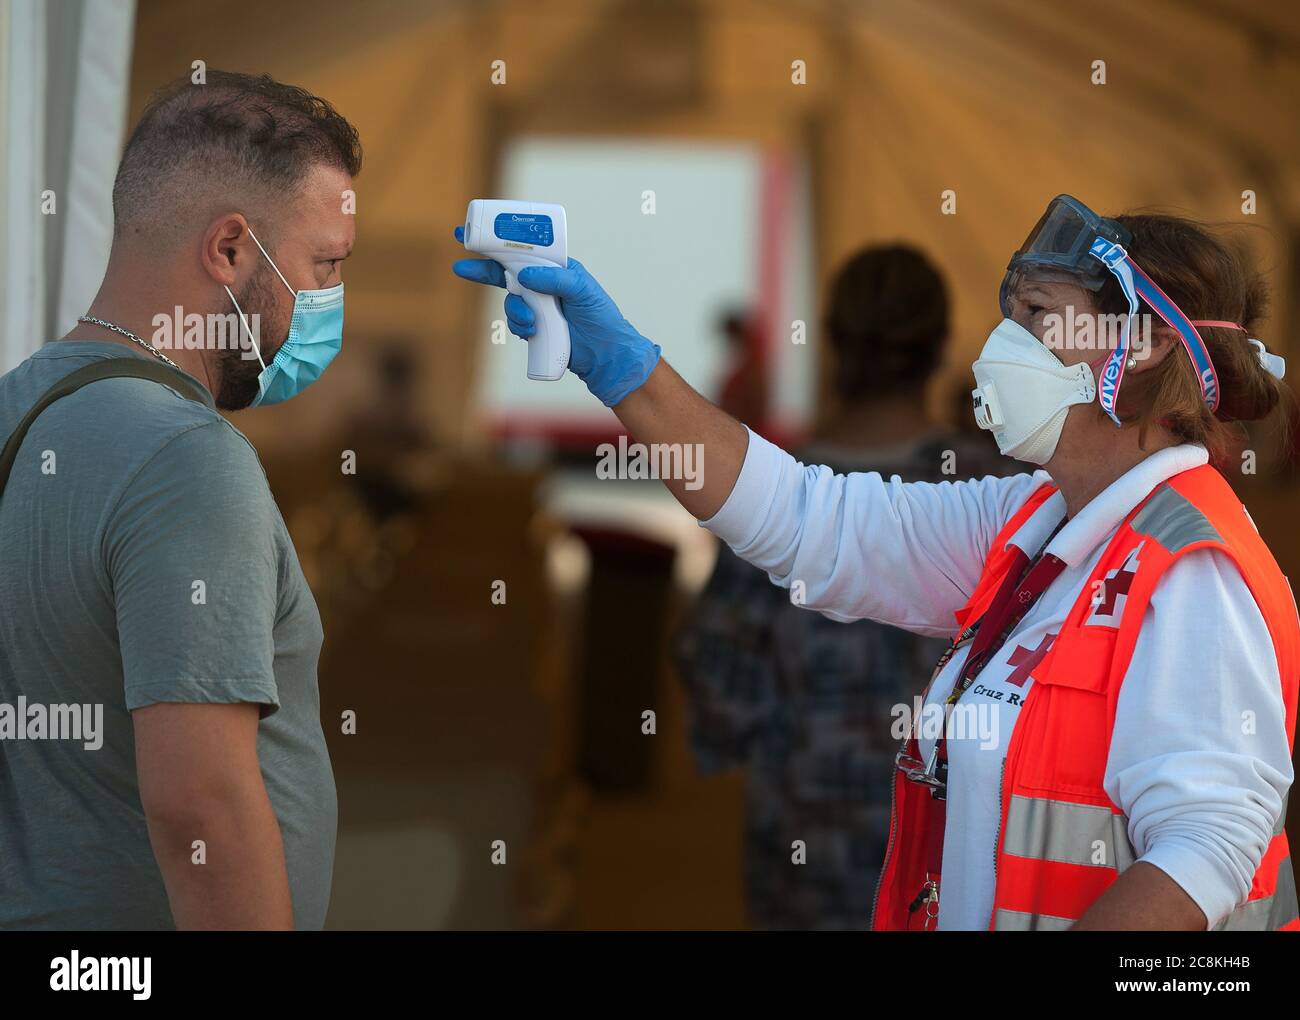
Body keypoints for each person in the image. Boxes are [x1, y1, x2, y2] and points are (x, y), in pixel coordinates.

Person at [453, 194, 1299, 931]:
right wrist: (622, 368)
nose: (1007, 343)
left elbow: (1211, 846)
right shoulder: (1036, 523)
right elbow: (804, 518)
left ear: (1138, 346)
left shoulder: (1192, 572)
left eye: (1040, 317)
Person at [0, 71, 361, 929]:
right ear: (230, 249)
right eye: (325, 265)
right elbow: (201, 807)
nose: (330, 303)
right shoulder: (187, 461)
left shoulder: (16, 407)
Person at [672, 245, 1010, 928]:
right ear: (942, 347)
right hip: (954, 859)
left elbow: (723, 686)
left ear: (830, 343)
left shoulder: (772, 495)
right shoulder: (1001, 494)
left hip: (806, 857)